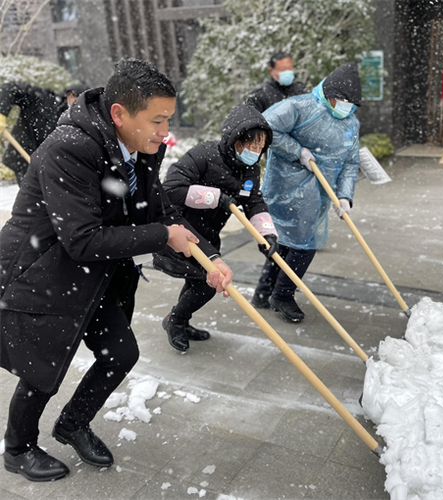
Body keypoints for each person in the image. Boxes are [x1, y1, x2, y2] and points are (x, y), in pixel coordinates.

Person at [0, 59, 232, 482]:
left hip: (97, 270)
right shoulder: (68, 148)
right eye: (157, 121)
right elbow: (83, 239)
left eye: (168, 120)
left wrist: (209, 257)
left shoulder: (142, 146)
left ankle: (72, 423)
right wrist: (162, 236)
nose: (165, 132)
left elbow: (157, 207)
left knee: (120, 354)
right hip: (43, 270)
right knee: (44, 367)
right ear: (120, 114)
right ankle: (17, 448)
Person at [154, 103, 278, 352]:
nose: (256, 151)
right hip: (183, 228)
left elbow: (253, 200)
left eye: (260, 146)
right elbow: (171, 189)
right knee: (206, 283)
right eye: (252, 144)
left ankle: (180, 320)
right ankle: (175, 320)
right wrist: (216, 197)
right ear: (235, 138)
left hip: (209, 232)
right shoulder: (204, 155)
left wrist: (266, 233)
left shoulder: (249, 168)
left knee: (196, 281)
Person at [251, 62, 361, 322]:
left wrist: (345, 196)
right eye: (342, 99)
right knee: (302, 246)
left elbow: (350, 162)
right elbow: (265, 127)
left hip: (320, 193)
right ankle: (283, 295)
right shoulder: (301, 107)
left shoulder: (351, 123)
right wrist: (297, 151)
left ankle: (264, 292)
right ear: (329, 93)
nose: (346, 105)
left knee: (289, 244)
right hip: (286, 188)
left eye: (351, 102)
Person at [0, 81, 88, 184]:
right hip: (25, 160)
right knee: (32, 196)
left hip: (52, 170)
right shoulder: (42, 99)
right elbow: (10, 88)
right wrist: (2, 113)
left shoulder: (79, 123)